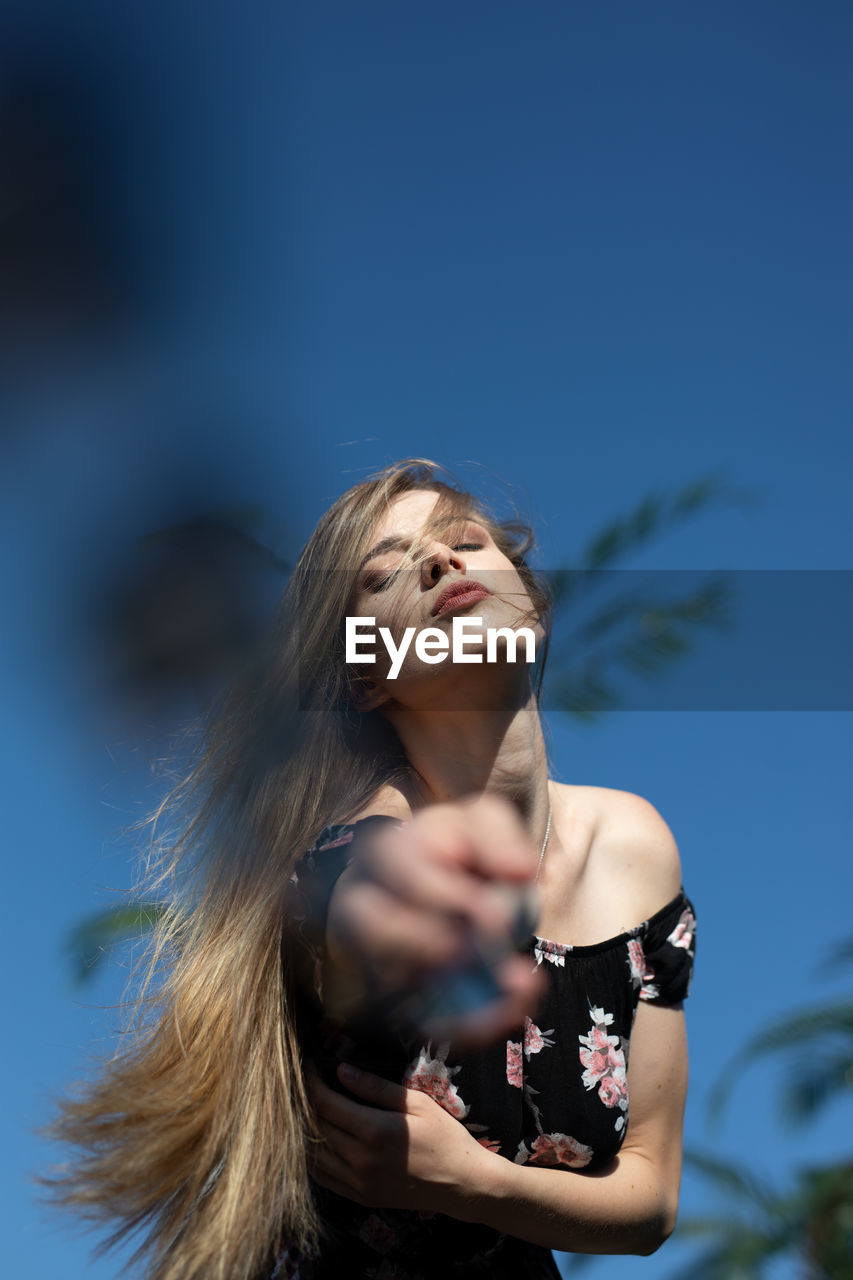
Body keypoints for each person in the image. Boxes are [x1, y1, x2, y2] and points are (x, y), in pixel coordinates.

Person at [46, 458, 696, 1280]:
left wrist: (476, 1184)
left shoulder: (634, 845)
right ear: (364, 678)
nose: (440, 563)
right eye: (386, 574)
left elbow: (650, 1201)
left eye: (466, 541)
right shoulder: (359, 844)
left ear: (533, 606)